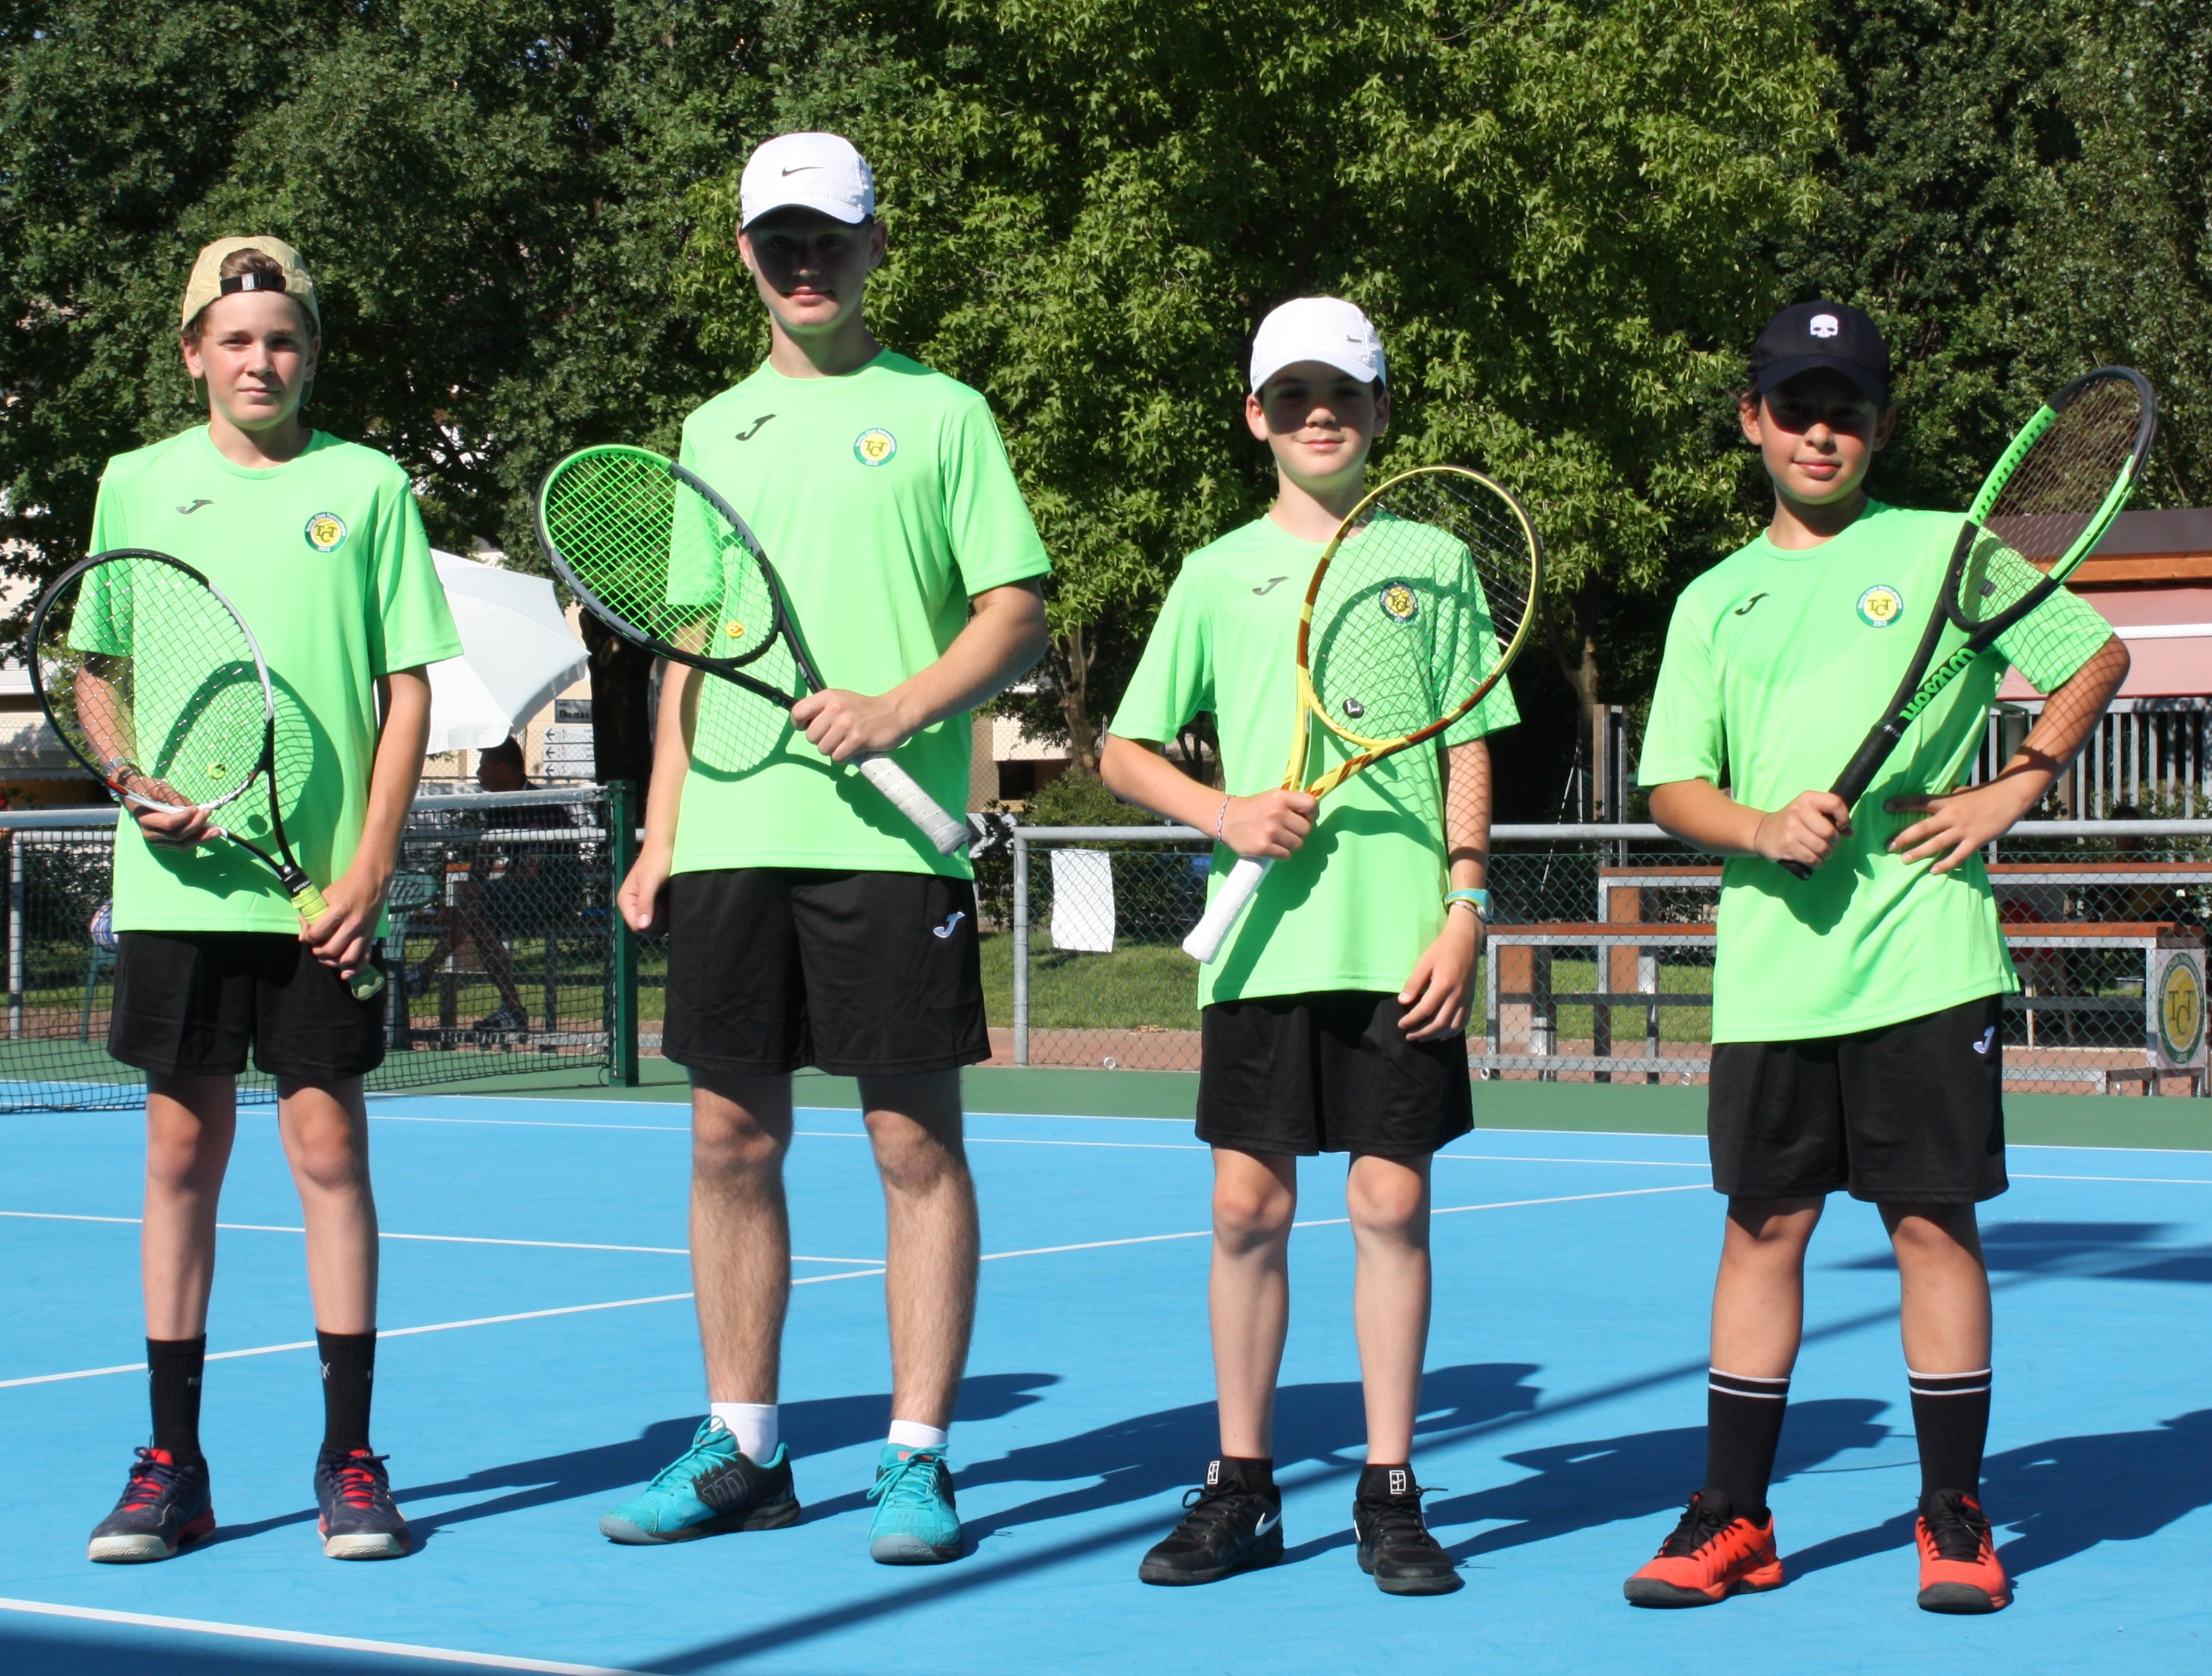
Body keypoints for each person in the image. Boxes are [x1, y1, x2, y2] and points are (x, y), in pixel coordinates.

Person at [1624, 300, 2128, 1614]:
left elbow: (2092, 658)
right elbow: (1670, 784)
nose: (1818, 432)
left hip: (1923, 961)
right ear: (1751, 420)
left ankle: (1951, 1511)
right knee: (1763, 1228)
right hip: (1773, 973)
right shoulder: (1710, 599)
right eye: (1793, 407)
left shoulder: (1948, 549)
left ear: (1880, 425)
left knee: (1927, 1222)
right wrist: (1756, 826)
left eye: (1842, 409)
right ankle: (1733, 1516)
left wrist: (2010, 789)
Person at [600, 133, 1050, 1565]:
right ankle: (743, 1451)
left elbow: (1015, 610)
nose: (806, 263)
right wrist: (663, 828)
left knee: (912, 1145)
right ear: (746, 253)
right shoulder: (709, 430)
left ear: (870, 248)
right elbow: (690, 651)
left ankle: (915, 1459)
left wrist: (899, 707)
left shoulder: (944, 414)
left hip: (891, 852)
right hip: (733, 839)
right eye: (780, 240)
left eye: (830, 238)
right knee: (728, 1141)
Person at [1099, 297, 1513, 1595]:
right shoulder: (1213, 572)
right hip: (1260, 952)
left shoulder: (1435, 562)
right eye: (1291, 396)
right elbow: (1122, 751)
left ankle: (1389, 1490)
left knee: (1389, 1206)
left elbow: (1465, 744)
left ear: (1378, 410)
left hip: (1399, 945)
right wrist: (1221, 812)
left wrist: (1464, 905)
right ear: (1255, 416)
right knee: (1245, 1209)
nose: (1316, 415)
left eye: (1340, 394)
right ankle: (1242, 1486)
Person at [83, 237, 464, 1563]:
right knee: (178, 1160)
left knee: (328, 1154)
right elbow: (97, 669)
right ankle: (171, 1468)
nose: (260, 360)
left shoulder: (367, 486)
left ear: (310, 353)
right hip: (177, 887)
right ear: (194, 351)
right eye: (235, 339)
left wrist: (370, 867)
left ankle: (350, 1460)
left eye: (283, 338)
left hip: (320, 903)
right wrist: (130, 776)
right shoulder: (134, 482)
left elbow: (407, 689)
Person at [408, 736, 574, 1032]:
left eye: (483, 765)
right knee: (479, 919)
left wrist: (473, 899)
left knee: (478, 907)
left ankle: (426, 970)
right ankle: (513, 1010)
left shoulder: (540, 805)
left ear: (502, 769)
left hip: (554, 894)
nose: (478, 773)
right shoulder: (498, 805)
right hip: (520, 893)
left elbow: (530, 871)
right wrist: (466, 900)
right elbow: (484, 858)